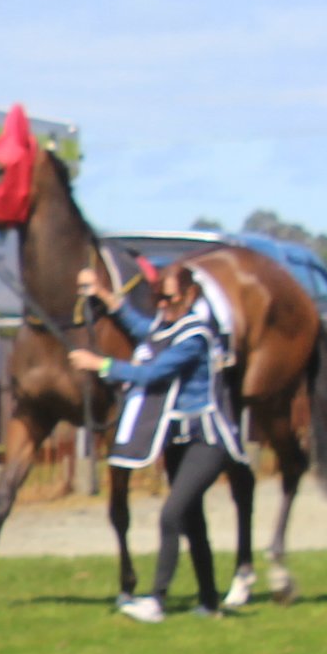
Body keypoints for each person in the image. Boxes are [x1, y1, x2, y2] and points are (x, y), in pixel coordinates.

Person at [68, 261, 238, 624]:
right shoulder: (167, 326)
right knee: (193, 521)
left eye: (168, 297)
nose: (160, 304)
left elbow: (152, 372)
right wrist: (105, 297)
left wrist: (101, 365)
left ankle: (157, 600)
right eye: (157, 297)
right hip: (176, 439)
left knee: (171, 515)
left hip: (206, 441)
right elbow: (141, 328)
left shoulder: (195, 336)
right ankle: (210, 602)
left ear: (190, 295)